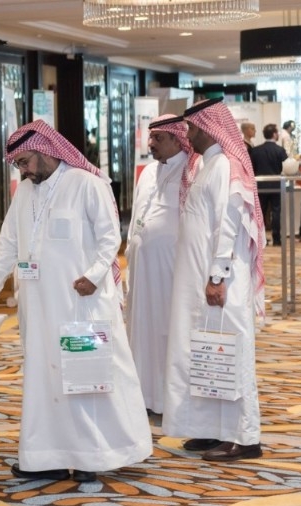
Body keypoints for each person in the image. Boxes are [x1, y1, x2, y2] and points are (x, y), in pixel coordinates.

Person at [0, 120, 152, 482]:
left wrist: (95, 275)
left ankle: (91, 457)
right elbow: (9, 242)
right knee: (44, 379)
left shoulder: (87, 184)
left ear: (44, 151)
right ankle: (46, 457)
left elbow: (109, 238)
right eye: (18, 165)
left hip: (81, 303)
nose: (23, 170)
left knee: (86, 378)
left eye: (25, 162)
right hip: (38, 307)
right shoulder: (25, 193)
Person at [162, 97, 265, 462]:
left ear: (208, 127)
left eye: (191, 128)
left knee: (230, 355)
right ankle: (211, 430)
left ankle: (245, 437)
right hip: (200, 281)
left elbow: (228, 225)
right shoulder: (208, 165)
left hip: (221, 281)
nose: (187, 135)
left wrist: (218, 275)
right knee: (206, 355)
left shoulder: (224, 166)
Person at [125, 114, 191, 415]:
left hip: (171, 272)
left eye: (158, 138)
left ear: (178, 139)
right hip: (142, 271)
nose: (150, 143)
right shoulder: (148, 172)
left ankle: (168, 401)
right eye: (150, 137)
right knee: (140, 331)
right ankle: (143, 396)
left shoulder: (191, 171)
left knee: (167, 331)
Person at [250, 123, 288, 246]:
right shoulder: (280, 150)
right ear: (274, 134)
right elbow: (286, 167)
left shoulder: (256, 150)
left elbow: (252, 168)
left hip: (260, 185)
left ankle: (260, 239)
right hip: (276, 185)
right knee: (276, 212)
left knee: (260, 212)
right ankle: (276, 239)